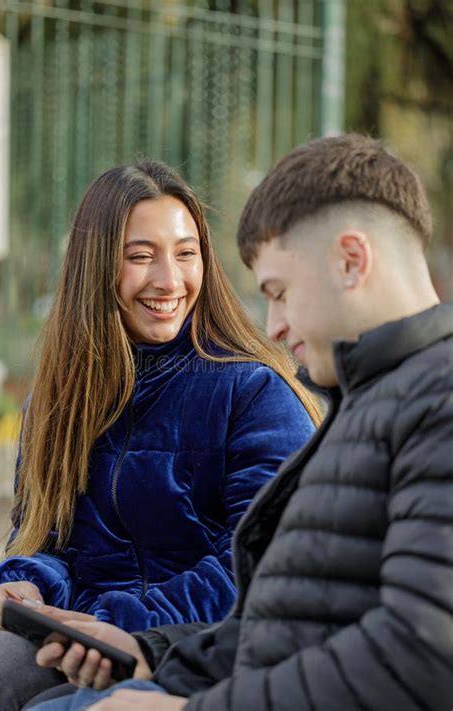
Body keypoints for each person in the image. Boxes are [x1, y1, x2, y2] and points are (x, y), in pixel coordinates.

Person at [28, 133, 452, 711]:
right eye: (139, 255)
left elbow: (420, 655)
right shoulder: (364, 401)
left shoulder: (429, 401)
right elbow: (281, 624)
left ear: (352, 261)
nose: (273, 325)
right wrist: (148, 648)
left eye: (279, 292)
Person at [0, 159, 322, 710]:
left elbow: (262, 564)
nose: (170, 280)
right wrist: (25, 587)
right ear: (96, 270)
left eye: (187, 254)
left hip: (195, 653)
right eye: (141, 257)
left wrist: (117, 624)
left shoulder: (254, 392)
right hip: (79, 642)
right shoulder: (54, 405)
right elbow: (48, 543)